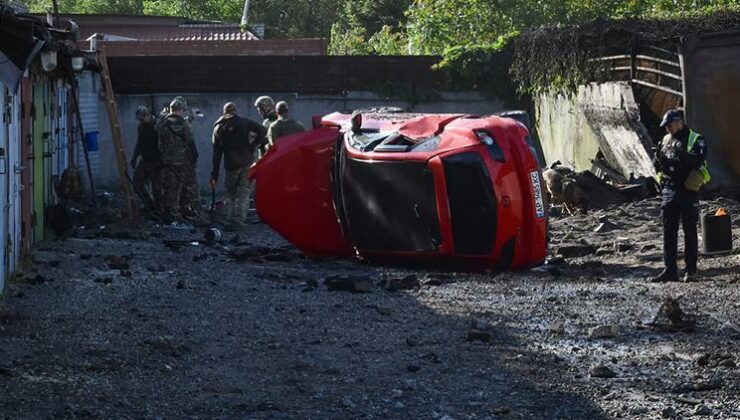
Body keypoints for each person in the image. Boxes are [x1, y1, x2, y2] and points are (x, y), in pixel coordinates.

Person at [649, 109, 710, 283]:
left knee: (689, 231)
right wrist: (658, 160)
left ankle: (691, 271)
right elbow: (657, 165)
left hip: (688, 190)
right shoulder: (666, 139)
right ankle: (670, 270)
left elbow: (699, 160)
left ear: (678, 122)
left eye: (669, 125)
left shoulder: (696, 139)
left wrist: (680, 154)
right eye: (666, 126)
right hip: (669, 189)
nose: (667, 129)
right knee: (669, 231)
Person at [210, 102, 267, 229]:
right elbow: (263, 130)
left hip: (231, 164)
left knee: (230, 193)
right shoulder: (245, 122)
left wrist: (215, 173)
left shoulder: (219, 127)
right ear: (235, 111)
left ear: (224, 112)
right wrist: (252, 146)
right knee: (244, 193)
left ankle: (227, 220)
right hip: (247, 162)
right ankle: (239, 221)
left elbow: (217, 153)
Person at [157, 97, 196, 221]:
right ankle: (185, 211)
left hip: (167, 160)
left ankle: (172, 213)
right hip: (182, 161)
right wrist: (194, 156)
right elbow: (190, 140)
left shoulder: (162, 122)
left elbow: (160, 143)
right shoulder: (183, 123)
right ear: (181, 109)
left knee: (171, 187)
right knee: (187, 186)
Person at [130, 106, 161, 210]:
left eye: (142, 119)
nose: (141, 121)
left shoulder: (157, 125)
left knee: (157, 187)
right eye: (139, 120)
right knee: (137, 182)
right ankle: (149, 202)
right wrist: (134, 157)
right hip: (145, 159)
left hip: (156, 160)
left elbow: (164, 143)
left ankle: (158, 207)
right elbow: (139, 143)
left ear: (147, 116)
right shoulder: (141, 127)